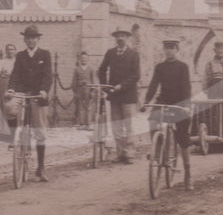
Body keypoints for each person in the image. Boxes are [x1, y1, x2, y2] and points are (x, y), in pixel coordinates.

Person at [140, 39, 194, 190]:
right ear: (163, 50)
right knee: (152, 119)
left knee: (183, 139)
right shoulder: (160, 67)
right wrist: (146, 101)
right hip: (164, 100)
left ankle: (188, 175)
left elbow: (186, 87)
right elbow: (153, 85)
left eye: (172, 48)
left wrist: (186, 106)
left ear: (177, 50)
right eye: (167, 48)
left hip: (179, 102)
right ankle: (156, 152)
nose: (169, 51)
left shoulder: (183, 67)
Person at [5, 25, 53, 182]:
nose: (30, 40)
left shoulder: (45, 55)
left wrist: (44, 90)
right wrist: (11, 89)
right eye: (28, 38)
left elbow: (48, 76)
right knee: (9, 107)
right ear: (24, 40)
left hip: (38, 95)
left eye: (33, 38)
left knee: (40, 132)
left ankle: (41, 167)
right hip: (22, 92)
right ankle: (15, 137)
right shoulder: (20, 56)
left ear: (38, 39)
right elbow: (15, 75)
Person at [97, 27, 141, 164]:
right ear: (115, 38)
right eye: (118, 36)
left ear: (127, 38)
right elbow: (101, 70)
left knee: (128, 125)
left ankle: (130, 154)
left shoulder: (134, 54)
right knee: (116, 126)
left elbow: (136, 75)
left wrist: (122, 86)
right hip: (114, 96)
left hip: (128, 95)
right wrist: (105, 87)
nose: (120, 38)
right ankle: (120, 153)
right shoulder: (110, 53)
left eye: (123, 36)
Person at [0, 43, 17, 140]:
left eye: (12, 49)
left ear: (15, 51)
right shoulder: (1, 62)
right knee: (1, 107)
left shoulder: (18, 62)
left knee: (11, 107)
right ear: (6, 51)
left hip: (14, 87)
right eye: (8, 49)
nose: (10, 51)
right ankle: (1, 132)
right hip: (2, 86)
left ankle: (12, 133)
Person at [72, 51, 95, 130]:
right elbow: (74, 81)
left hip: (88, 90)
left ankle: (88, 124)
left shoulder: (91, 69)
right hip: (79, 90)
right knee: (80, 107)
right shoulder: (76, 69)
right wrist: (75, 92)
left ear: (88, 59)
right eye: (82, 58)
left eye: (85, 58)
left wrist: (92, 91)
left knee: (88, 107)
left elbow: (93, 81)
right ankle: (81, 124)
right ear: (80, 59)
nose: (84, 60)